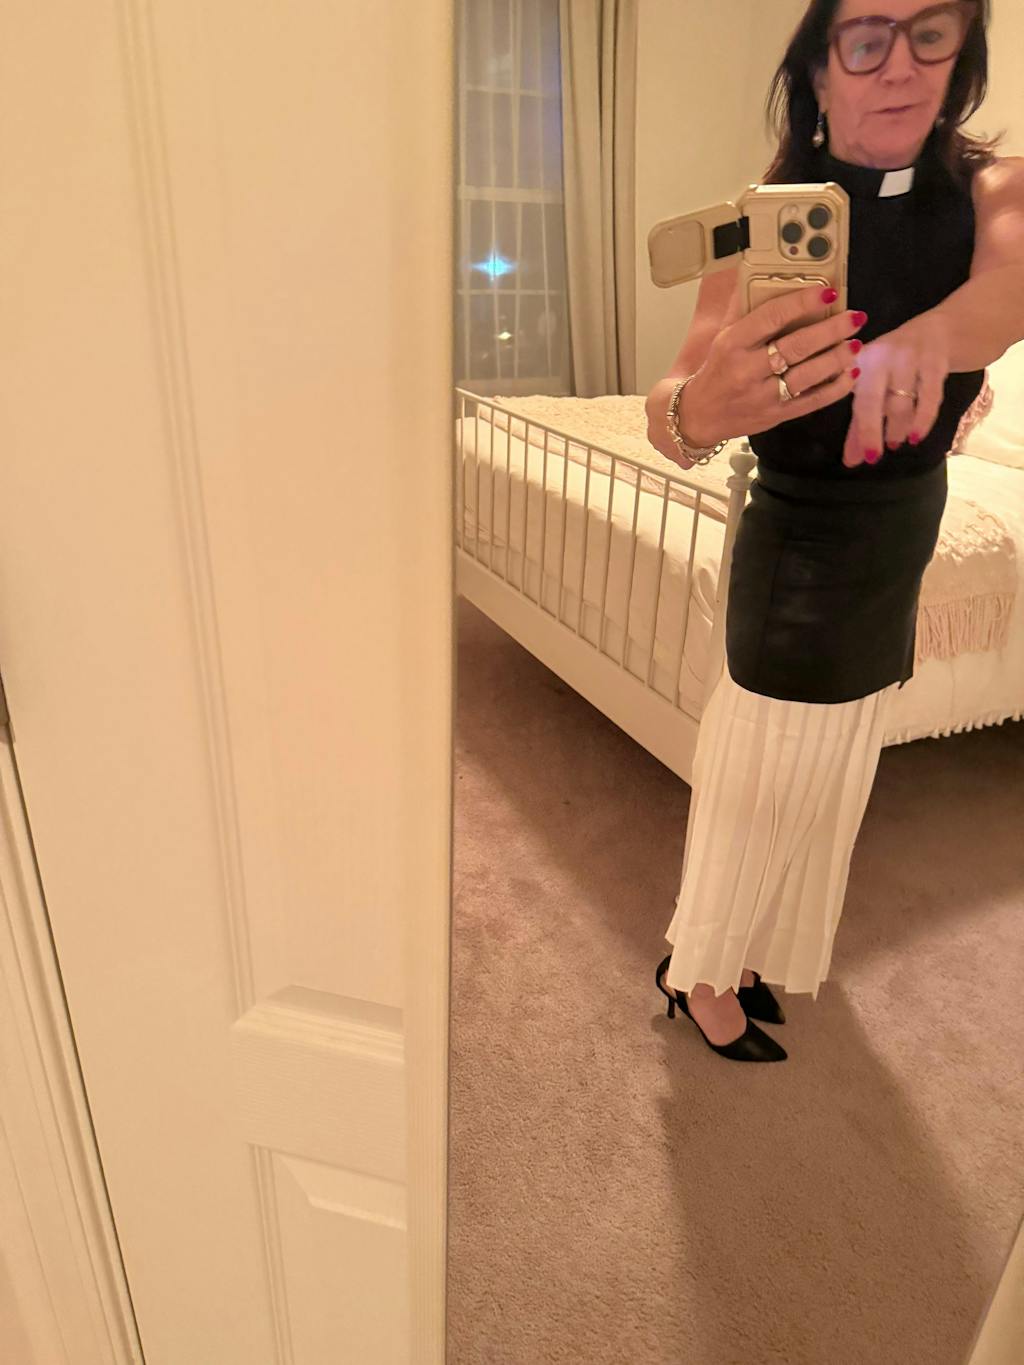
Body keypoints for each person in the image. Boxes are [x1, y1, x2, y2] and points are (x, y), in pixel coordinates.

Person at [645, 0, 1024, 1062]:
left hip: (902, 532)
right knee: (757, 774)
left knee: (830, 776)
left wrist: (920, 343)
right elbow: (670, 404)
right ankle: (696, 970)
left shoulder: (996, 190)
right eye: (865, 39)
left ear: (961, 57)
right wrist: (697, 411)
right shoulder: (760, 218)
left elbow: (1010, 291)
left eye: (930, 33)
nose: (899, 64)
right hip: (798, 541)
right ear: (819, 74)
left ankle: (747, 951)